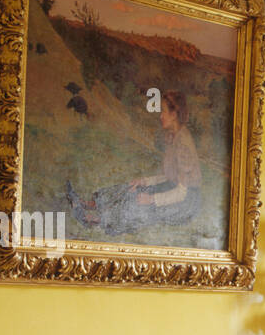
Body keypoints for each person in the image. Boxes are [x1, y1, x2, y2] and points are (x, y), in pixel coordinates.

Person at [65, 91, 202, 237]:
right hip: (172, 188)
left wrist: (151, 199)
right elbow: (171, 175)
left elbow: (182, 192)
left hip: (185, 202)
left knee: (138, 203)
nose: (160, 116)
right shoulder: (172, 136)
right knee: (131, 188)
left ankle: (96, 220)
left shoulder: (184, 144)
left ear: (174, 115)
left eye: (163, 111)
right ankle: (90, 204)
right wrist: (144, 181)